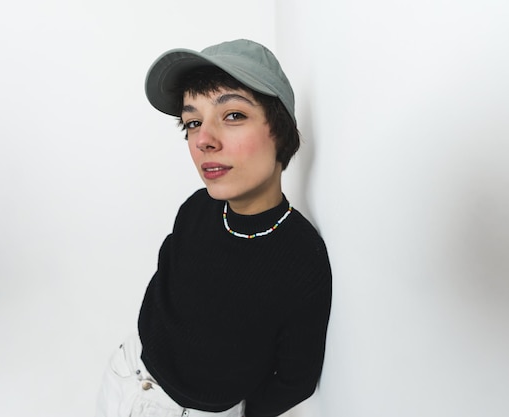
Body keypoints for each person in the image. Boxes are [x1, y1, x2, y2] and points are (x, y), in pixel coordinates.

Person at [95, 39, 332, 417]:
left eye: (233, 115)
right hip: (126, 375)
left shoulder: (302, 258)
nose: (203, 139)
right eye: (192, 122)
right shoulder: (197, 208)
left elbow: (295, 380)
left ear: (280, 129)